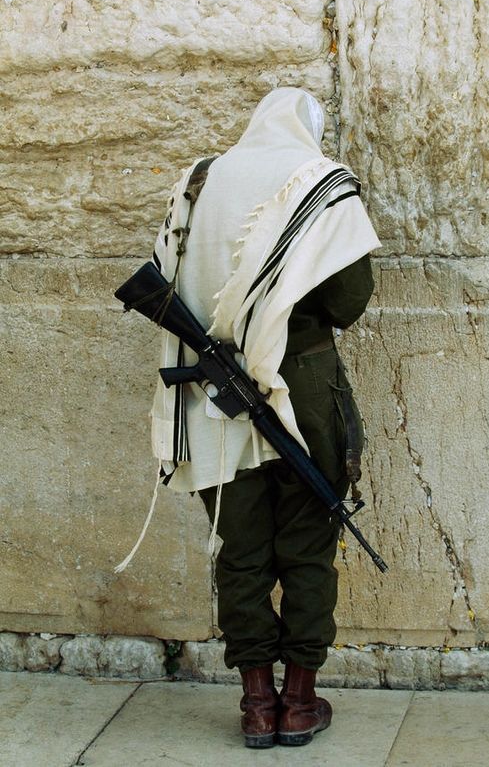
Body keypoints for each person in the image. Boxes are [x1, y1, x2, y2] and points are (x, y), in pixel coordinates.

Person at [143, 88, 381, 747]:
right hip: (302, 388)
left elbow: (169, 274)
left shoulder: (196, 182)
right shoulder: (322, 184)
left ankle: (255, 704)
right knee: (307, 545)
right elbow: (348, 300)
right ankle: (298, 704)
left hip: (213, 393)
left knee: (240, 552)